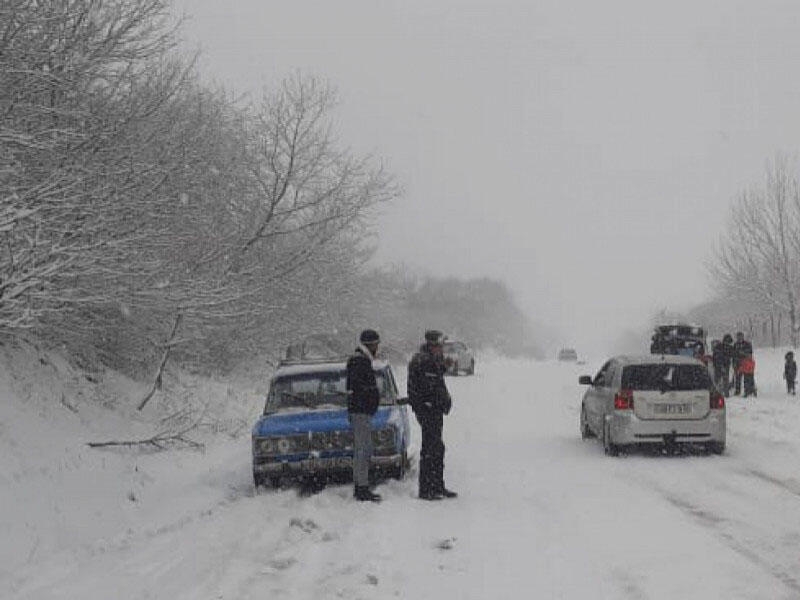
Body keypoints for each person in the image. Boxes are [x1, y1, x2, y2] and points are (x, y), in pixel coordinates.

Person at [407, 329, 456, 501]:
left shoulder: (428, 359)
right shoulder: (424, 361)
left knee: (436, 448)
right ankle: (428, 489)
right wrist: (436, 403)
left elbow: (433, 379)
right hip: (429, 411)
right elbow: (429, 387)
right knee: (430, 449)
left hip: (432, 410)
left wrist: (443, 367)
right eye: (440, 346)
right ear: (433, 345)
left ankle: (436, 485)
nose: (442, 349)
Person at [346, 329, 382, 502]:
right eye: (376, 344)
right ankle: (361, 487)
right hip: (361, 412)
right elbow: (361, 388)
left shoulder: (361, 360)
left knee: (365, 448)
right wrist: (370, 399)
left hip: (362, 411)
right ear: (370, 344)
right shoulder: (359, 361)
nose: (377, 347)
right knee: (362, 450)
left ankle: (363, 483)